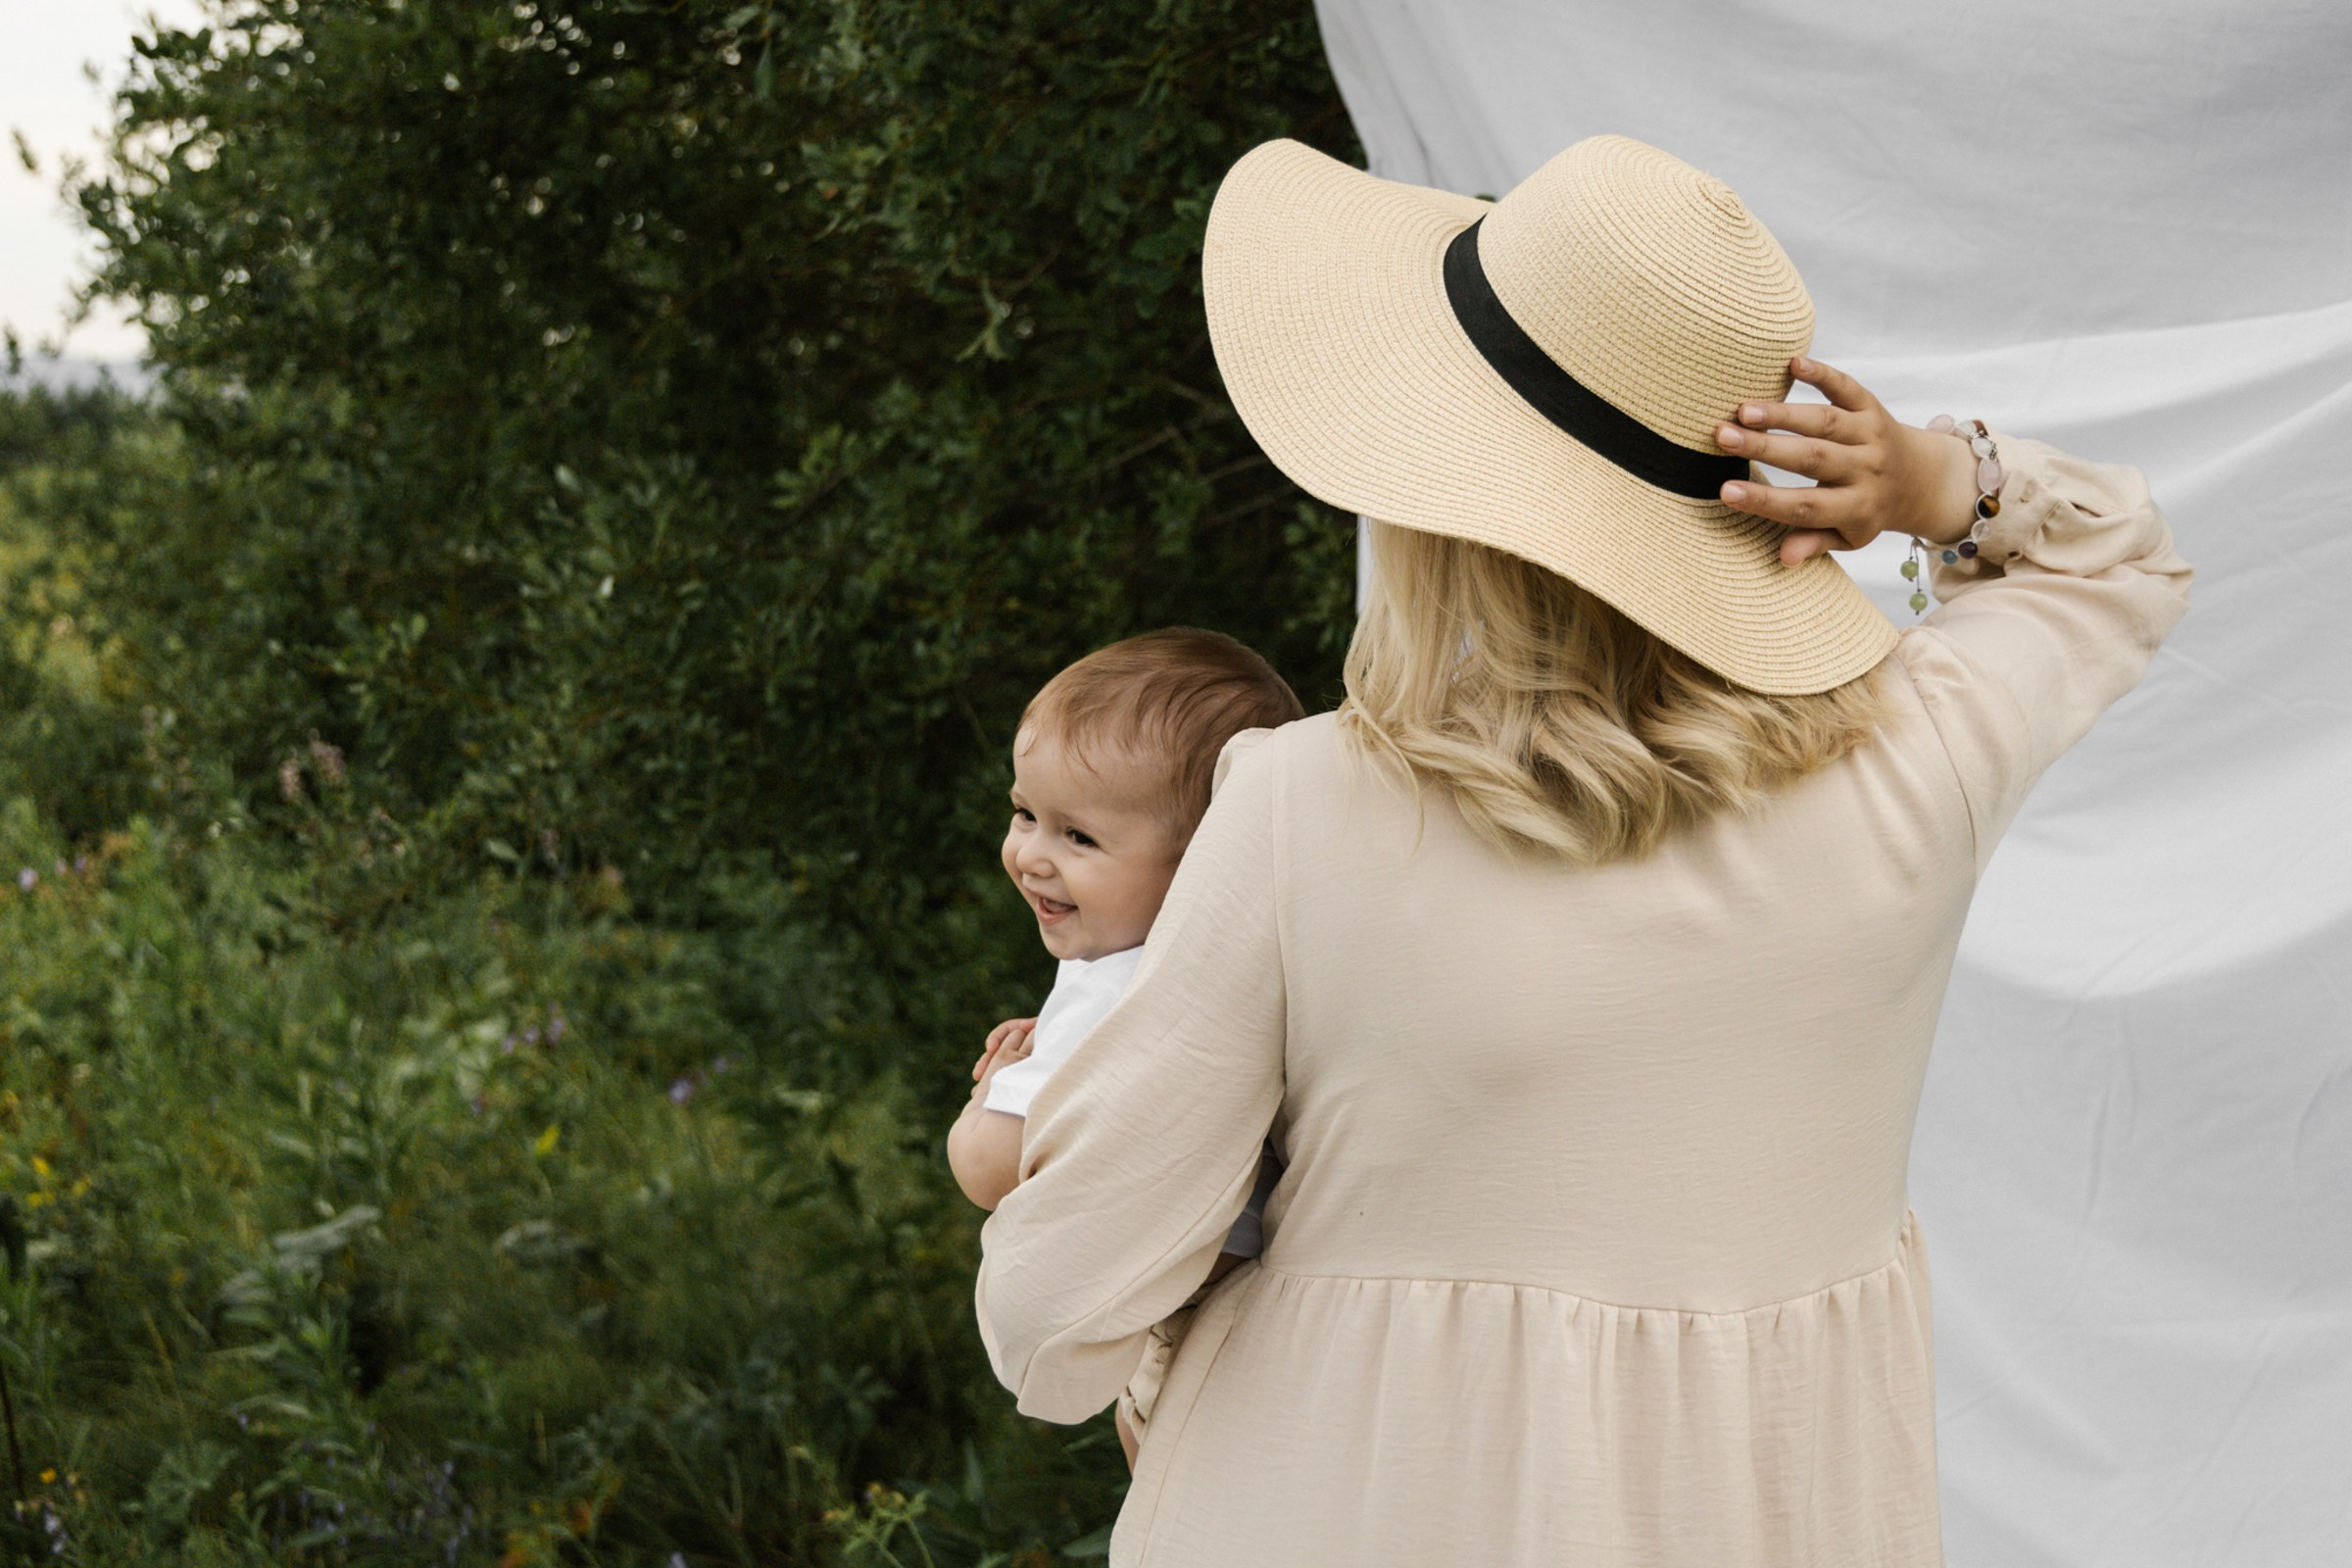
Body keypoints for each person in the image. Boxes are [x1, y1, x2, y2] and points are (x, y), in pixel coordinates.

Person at [971, 134, 2194, 1566]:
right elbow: (2118, 560)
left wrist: (1076, 1154)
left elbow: (1053, 1326)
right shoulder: (1919, 763)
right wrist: (1929, 481)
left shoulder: (1303, 808)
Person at [946, 626, 1299, 1467]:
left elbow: (995, 1169)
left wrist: (993, 1092)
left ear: (1200, 864)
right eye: (1025, 813)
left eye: (1080, 839)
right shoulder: (1239, 960)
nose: (1030, 856)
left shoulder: (1120, 992)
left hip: (1192, 1305)